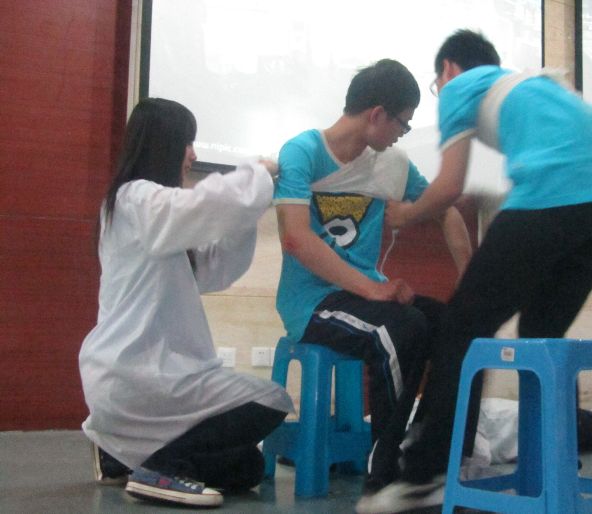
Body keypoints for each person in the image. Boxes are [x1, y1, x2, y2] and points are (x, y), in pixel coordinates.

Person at [358, 29, 592, 513]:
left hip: (551, 196)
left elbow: (449, 187)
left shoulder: (462, 87)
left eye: (437, 84)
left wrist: (405, 214)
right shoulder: (542, 85)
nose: (441, 92)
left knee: (460, 331)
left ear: (448, 69)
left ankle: (424, 477)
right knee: (541, 337)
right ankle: (552, 466)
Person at [79, 98, 293, 508]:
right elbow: (201, 207)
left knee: (247, 468)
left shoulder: (149, 215)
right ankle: (163, 467)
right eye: (187, 143)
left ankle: (120, 453)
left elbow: (216, 268)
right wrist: (256, 174)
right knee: (272, 400)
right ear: (163, 145)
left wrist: (247, 212)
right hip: (137, 375)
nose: (193, 155)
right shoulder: (136, 198)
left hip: (146, 378)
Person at [273, 59, 473, 494]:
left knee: (457, 330)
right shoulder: (302, 152)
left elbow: (446, 211)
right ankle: (385, 474)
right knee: (401, 329)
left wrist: (469, 282)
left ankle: (428, 457)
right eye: (403, 123)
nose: (404, 133)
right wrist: (372, 289)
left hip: (363, 295)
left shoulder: (391, 164)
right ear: (378, 114)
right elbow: (295, 239)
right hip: (313, 302)